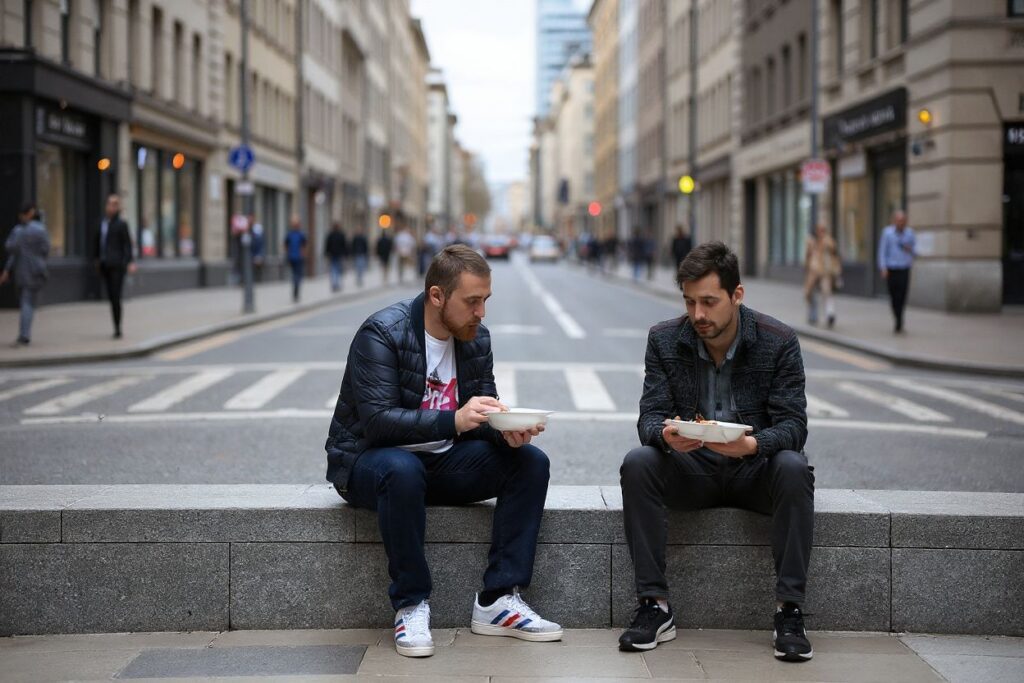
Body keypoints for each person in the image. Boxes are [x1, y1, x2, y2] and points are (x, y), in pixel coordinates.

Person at [325, 245, 562, 658]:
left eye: (485, 301)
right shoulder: (382, 333)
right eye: (472, 301)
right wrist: (454, 420)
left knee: (529, 463)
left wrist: (505, 432)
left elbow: (479, 413)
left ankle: (499, 600)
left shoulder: (475, 338)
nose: (481, 312)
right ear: (437, 296)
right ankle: (411, 604)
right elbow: (378, 422)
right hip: (369, 464)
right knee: (401, 470)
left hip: (440, 464)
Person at [618, 241, 814, 663]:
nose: (698, 315)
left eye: (709, 302)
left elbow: (794, 426)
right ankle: (654, 606)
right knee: (639, 462)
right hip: (694, 471)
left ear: (737, 295)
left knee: (794, 467)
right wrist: (665, 436)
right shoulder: (664, 339)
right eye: (690, 303)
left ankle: (790, 611)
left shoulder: (778, 341)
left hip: (754, 470)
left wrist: (753, 445)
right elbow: (649, 418)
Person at [0, 202, 50, 346]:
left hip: (21, 270)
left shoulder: (18, 231)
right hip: (36, 270)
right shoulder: (40, 230)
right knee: (28, 302)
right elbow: (46, 249)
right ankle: (24, 334)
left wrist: (7, 270)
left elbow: (10, 249)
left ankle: (24, 334)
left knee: (25, 302)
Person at [93, 194, 136, 338]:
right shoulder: (102, 223)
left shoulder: (121, 224)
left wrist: (129, 261)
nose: (110, 207)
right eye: (109, 204)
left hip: (117, 266)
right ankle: (116, 324)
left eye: (114, 204)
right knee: (111, 296)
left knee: (116, 297)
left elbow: (127, 245)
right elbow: (97, 242)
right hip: (105, 265)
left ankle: (118, 328)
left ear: (117, 207)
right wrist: (97, 259)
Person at [877, 209, 915, 333]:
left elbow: (916, 250)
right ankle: (897, 316)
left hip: (904, 268)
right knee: (893, 295)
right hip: (891, 268)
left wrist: (910, 249)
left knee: (902, 295)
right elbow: (882, 251)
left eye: (903, 220)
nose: (901, 223)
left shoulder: (910, 234)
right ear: (894, 221)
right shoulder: (887, 233)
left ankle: (899, 320)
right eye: (899, 220)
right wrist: (883, 267)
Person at [803, 223, 842, 328]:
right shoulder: (811, 241)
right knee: (808, 293)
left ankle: (830, 314)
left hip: (825, 271)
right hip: (813, 270)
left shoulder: (828, 241)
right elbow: (807, 255)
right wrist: (806, 267)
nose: (821, 232)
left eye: (823, 230)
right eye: (819, 230)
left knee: (827, 292)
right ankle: (813, 313)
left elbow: (834, 252)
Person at [283, 216, 307, 303]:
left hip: (292, 257)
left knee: (295, 275)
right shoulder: (300, 234)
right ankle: (296, 292)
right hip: (297, 258)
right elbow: (304, 247)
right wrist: (303, 255)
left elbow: (285, 246)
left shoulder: (290, 234)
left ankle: (295, 291)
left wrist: (287, 254)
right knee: (297, 275)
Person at [324, 222, 348, 293]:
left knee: (333, 269)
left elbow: (327, 245)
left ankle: (334, 284)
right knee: (337, 269)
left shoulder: (331, 235)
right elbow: (344, 245)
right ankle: (336, 284)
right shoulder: (341, 235)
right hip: (338, 255)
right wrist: (346, 254)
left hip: (333, 255)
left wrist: (326, 253)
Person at [249, 217, 266, 283]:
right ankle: (256, 278)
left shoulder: (257, 229)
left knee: (257, 264)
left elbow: (260, 244)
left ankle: (258, 278)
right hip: (254, 252)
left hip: (257, 252)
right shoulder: (253, 230)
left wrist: (260, 255)